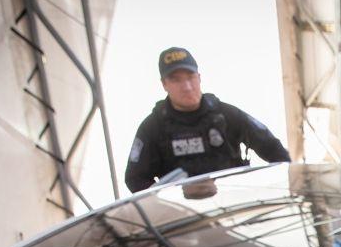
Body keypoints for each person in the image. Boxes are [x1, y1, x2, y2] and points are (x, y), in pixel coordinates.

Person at [124, 47, 291, 193]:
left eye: (190, 77)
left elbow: (276, 151)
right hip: (183, 221)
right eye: (176, 79)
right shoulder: (153, 127)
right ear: (164, 84)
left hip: (235, 209)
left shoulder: (227, 114)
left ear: (199, 77)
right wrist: (168, 201)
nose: (187, 86)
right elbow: (135, 179)